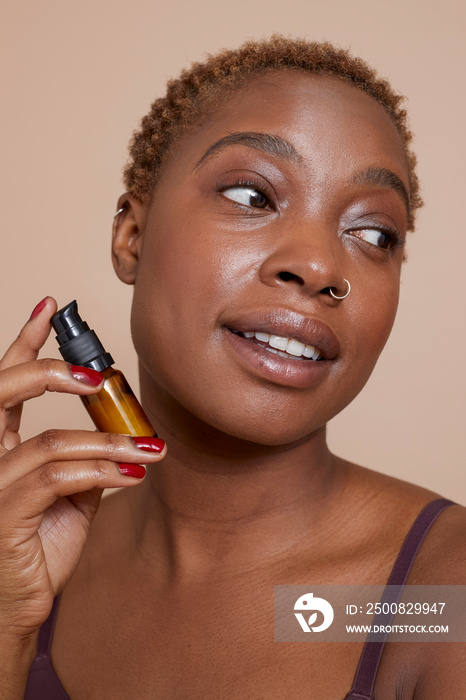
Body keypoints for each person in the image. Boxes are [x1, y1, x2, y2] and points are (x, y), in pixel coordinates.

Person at [1, 36, 464, 699]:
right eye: (252, 195)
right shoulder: (29, 560)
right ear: (132, 236)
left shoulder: (440, 601)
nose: (318, 266)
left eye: (373, 234)